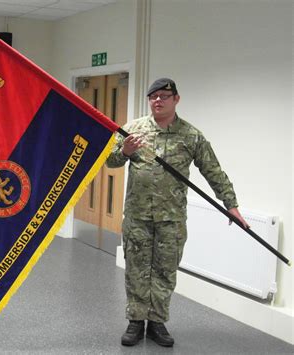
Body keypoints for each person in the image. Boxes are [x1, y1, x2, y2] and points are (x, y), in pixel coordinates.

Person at [106, 78, 249, 348]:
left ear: (176, 100)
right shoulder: (132, 130)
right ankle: (135, 321)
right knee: (136, 269)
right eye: (153, 96)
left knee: (164, 271)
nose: (157, 100)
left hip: (171, 219)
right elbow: (109, 160)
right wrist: (125, 151)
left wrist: (231, 205)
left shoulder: (191, 136)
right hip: (137, 217)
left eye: (163, 96)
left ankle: (157, 322)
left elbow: (213, 171)